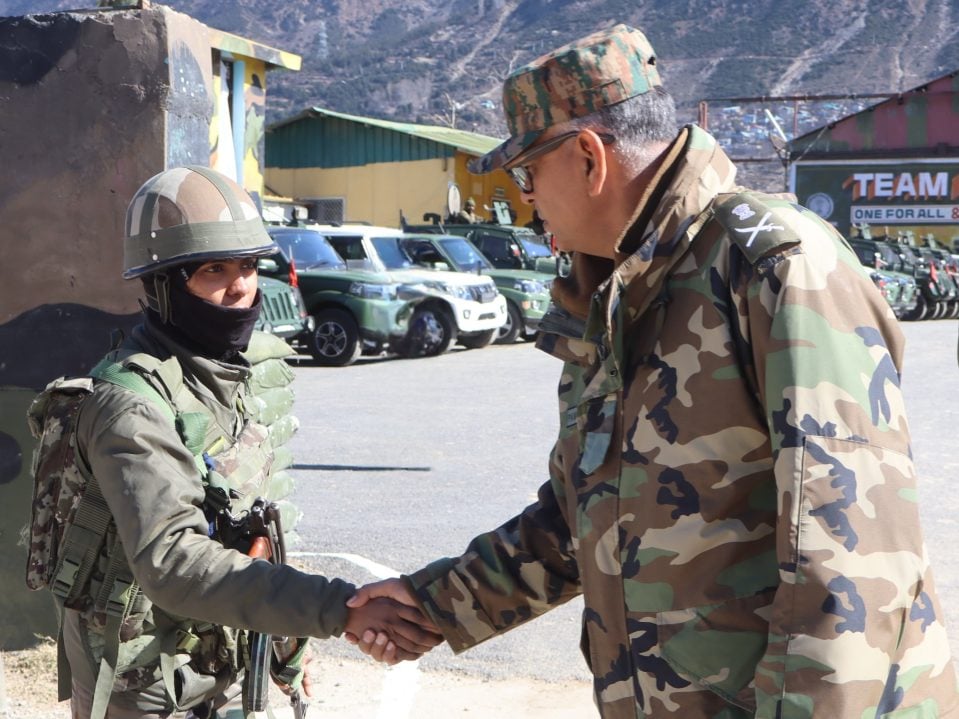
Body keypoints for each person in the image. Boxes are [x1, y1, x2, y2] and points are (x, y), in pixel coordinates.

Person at [346, 24, 959, 718]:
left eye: (526, 174)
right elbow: (588, 516)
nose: (526, 200)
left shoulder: (772, 268)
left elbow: (848, 556)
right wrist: (434, 603)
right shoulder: (619, 290)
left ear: (587, 157)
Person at [29, 166, 440, 718]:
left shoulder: (226, 378)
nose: (240, 286)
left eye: (248, 266)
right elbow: (173, 561)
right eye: (214, 270)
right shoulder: (130, 405)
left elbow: (254, 530)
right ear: (163, 286)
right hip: (146, 686)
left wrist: (290, 647)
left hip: (221, 660)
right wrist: (338, 609)